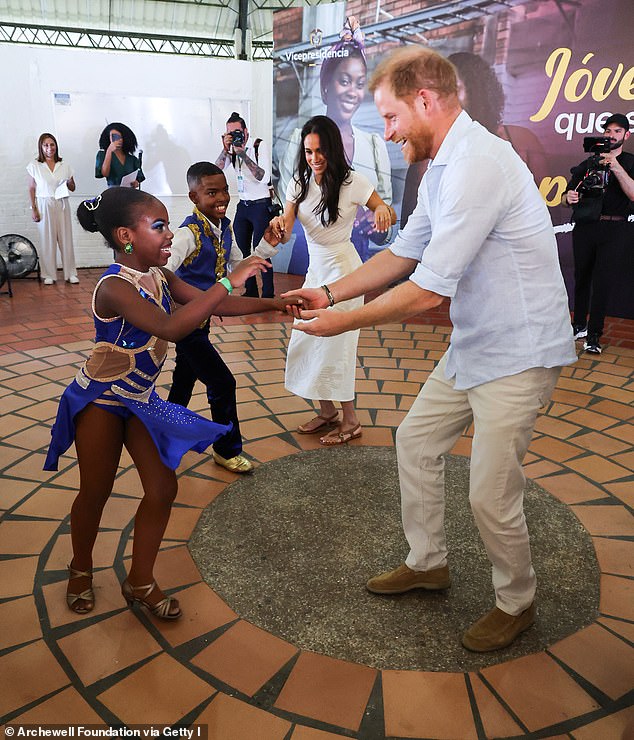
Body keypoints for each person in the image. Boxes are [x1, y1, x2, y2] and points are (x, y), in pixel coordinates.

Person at [282, 47, 577, 651]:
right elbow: (400, 255)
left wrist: (338, 323)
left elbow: (422, 293)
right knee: (417, 440)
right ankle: (428, 562)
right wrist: (328, 292)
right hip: (478, 340)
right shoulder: (443, 163)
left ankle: (516, 600)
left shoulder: (478, 165)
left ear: (425, 101)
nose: (385, 135)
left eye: (390, 118)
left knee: (491, 490)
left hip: (520, 352)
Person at [43, 187, 270, 620]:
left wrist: (278, 303)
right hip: (100, 401)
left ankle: (140, 580)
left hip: (140, 399)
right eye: (160, 226)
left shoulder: (162, 276)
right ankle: (80, 568)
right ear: (126, 235)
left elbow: (211, 305)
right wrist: (227, 279)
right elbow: (170, 328)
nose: (169, 235)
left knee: (164, 488)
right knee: (96, 491)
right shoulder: (112, 286)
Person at [269, 115, 395, 445]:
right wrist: (279, 227)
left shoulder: (353, 181)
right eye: (309, 152)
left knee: (336, 347)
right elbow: (285, 229)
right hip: (316, 273)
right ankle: (328, 412)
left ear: (333, 148)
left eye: (320, 150)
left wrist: (383, 212)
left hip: (345, 273)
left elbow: (384, 208)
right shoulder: (299, 182)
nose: (314, 158)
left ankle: (351, 421)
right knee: (307, 338)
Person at [166, 161, 289, 473]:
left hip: (203, 321)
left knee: (183, 381)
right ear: (194, 197)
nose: (221, 197)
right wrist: (180, 305)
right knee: (223, 382)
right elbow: (162, 272)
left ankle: (163, 436)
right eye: (211, 192)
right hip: (187, 325)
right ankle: (226, 449)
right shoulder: (187, 233)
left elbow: (238, 268)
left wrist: (267, 247)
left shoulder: (225, 227)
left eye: (224, 190)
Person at [278, 16, 393, 264]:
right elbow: (287, 216)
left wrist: (376, 219)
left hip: (355, 256)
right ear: (325, 87)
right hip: (308, 255)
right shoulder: (299, 142)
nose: (353, 91)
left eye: (359, 83)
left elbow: (387, 218)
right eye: (344, 81)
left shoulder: (372, 147)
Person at [400, 51, 549, 228]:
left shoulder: (522, 141)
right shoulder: (426, 157)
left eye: (453, 90)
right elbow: (410, 229)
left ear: (478, 91)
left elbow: (545, 217)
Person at [562, 113, 634, 355]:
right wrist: (569, 197)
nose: (611, 135)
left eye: (616, 131)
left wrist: (615, 165)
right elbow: (569, 193)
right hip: (585, 227)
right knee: (582, 278)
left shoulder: (630, 162)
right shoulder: (589, 163)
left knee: (602, 282)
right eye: (608, 130)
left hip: (614, 229)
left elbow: (633, 194)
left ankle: (594, 336)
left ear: (626, 135)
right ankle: (579, 325)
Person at [215, 112, 275, 298]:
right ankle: (250, 291)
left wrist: (243, 154)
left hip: (261, 205)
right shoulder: (231, 148)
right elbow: (215, 171)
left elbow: (263, 177)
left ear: (246, 131)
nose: (235, 137)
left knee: (262, 250)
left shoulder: (258, 145)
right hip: (243, 204)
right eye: (230, 133)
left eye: (238, 132)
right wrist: (226, 149)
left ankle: (267, 293)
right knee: (242, 250)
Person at [27, 133, 79, 285]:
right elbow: (31, 188)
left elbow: (73, 187)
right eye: (46, 145)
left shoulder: (65, 165)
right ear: (41, 147)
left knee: (65, 238)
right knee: (47, 239)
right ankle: (49, 274)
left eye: (52, 144)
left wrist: (69, 181)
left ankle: (70, 273)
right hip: (44, 203)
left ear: (56, 146)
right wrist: (33, 208)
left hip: (62, 203)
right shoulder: (35, 166)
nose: (49, 148)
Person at [96, 122, 145, 188]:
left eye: (121, 137)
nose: (119, 140)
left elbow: (139, 176)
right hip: (113, 192)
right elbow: (105, 173)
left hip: (130, 192)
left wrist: (136, 182)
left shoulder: (132, 159)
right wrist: (109, 151)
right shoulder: (102, 154)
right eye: (115, 137)